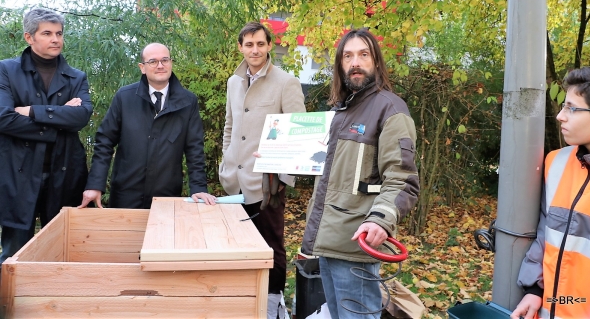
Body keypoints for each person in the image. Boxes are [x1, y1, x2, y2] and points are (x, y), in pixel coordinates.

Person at [301, 28, 419, 319]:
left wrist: (381, 220)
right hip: (330, 241)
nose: (355, 62)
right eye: (348, 56)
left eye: (363, 55)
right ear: (340, 65)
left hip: (357, 243)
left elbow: (403, 180)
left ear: (376, 62)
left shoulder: (390, 109)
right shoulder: (342, 112)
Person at [219, 22, 306, 319]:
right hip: (234, 181)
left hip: (268, 183)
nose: (254, 50)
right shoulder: (233, 82)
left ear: (269, 45)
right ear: (240, 47)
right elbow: (230, 126)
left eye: (260, 44)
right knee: (238, 246)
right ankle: (244, 302)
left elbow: (298, 133)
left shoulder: (286, 82)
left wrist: (282, 179)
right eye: (248, 44)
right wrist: (225, 159)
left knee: (271, 247)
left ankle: (272, 306)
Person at [0, 7, 92, 266]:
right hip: (18, 174)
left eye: (59, 33)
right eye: (47, 33)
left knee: (60, 254)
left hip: (64, 175)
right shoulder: (6, 70)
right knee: (14, 256)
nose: (56, 39)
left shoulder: (76, 76)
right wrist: (59, 121)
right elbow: (3, 118)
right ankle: (8, 307)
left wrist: (31, 111)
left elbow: (82, 117)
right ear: (29, 37)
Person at [80, 43, 215, 209]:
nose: (160, 65)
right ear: (142, 67)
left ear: (171, 63)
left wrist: (199, 188)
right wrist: (95, 184)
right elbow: (104, 142)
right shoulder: (125, 98)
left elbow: (195, 149)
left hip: (167, 196)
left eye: (165, 60)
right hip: (125, 195)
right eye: (153, 61)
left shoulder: (187, 102)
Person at [511, 67, 590, 319]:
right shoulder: (556, 163)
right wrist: (535, 290)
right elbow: (546, 234)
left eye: (572, 108)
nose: (560, 116)